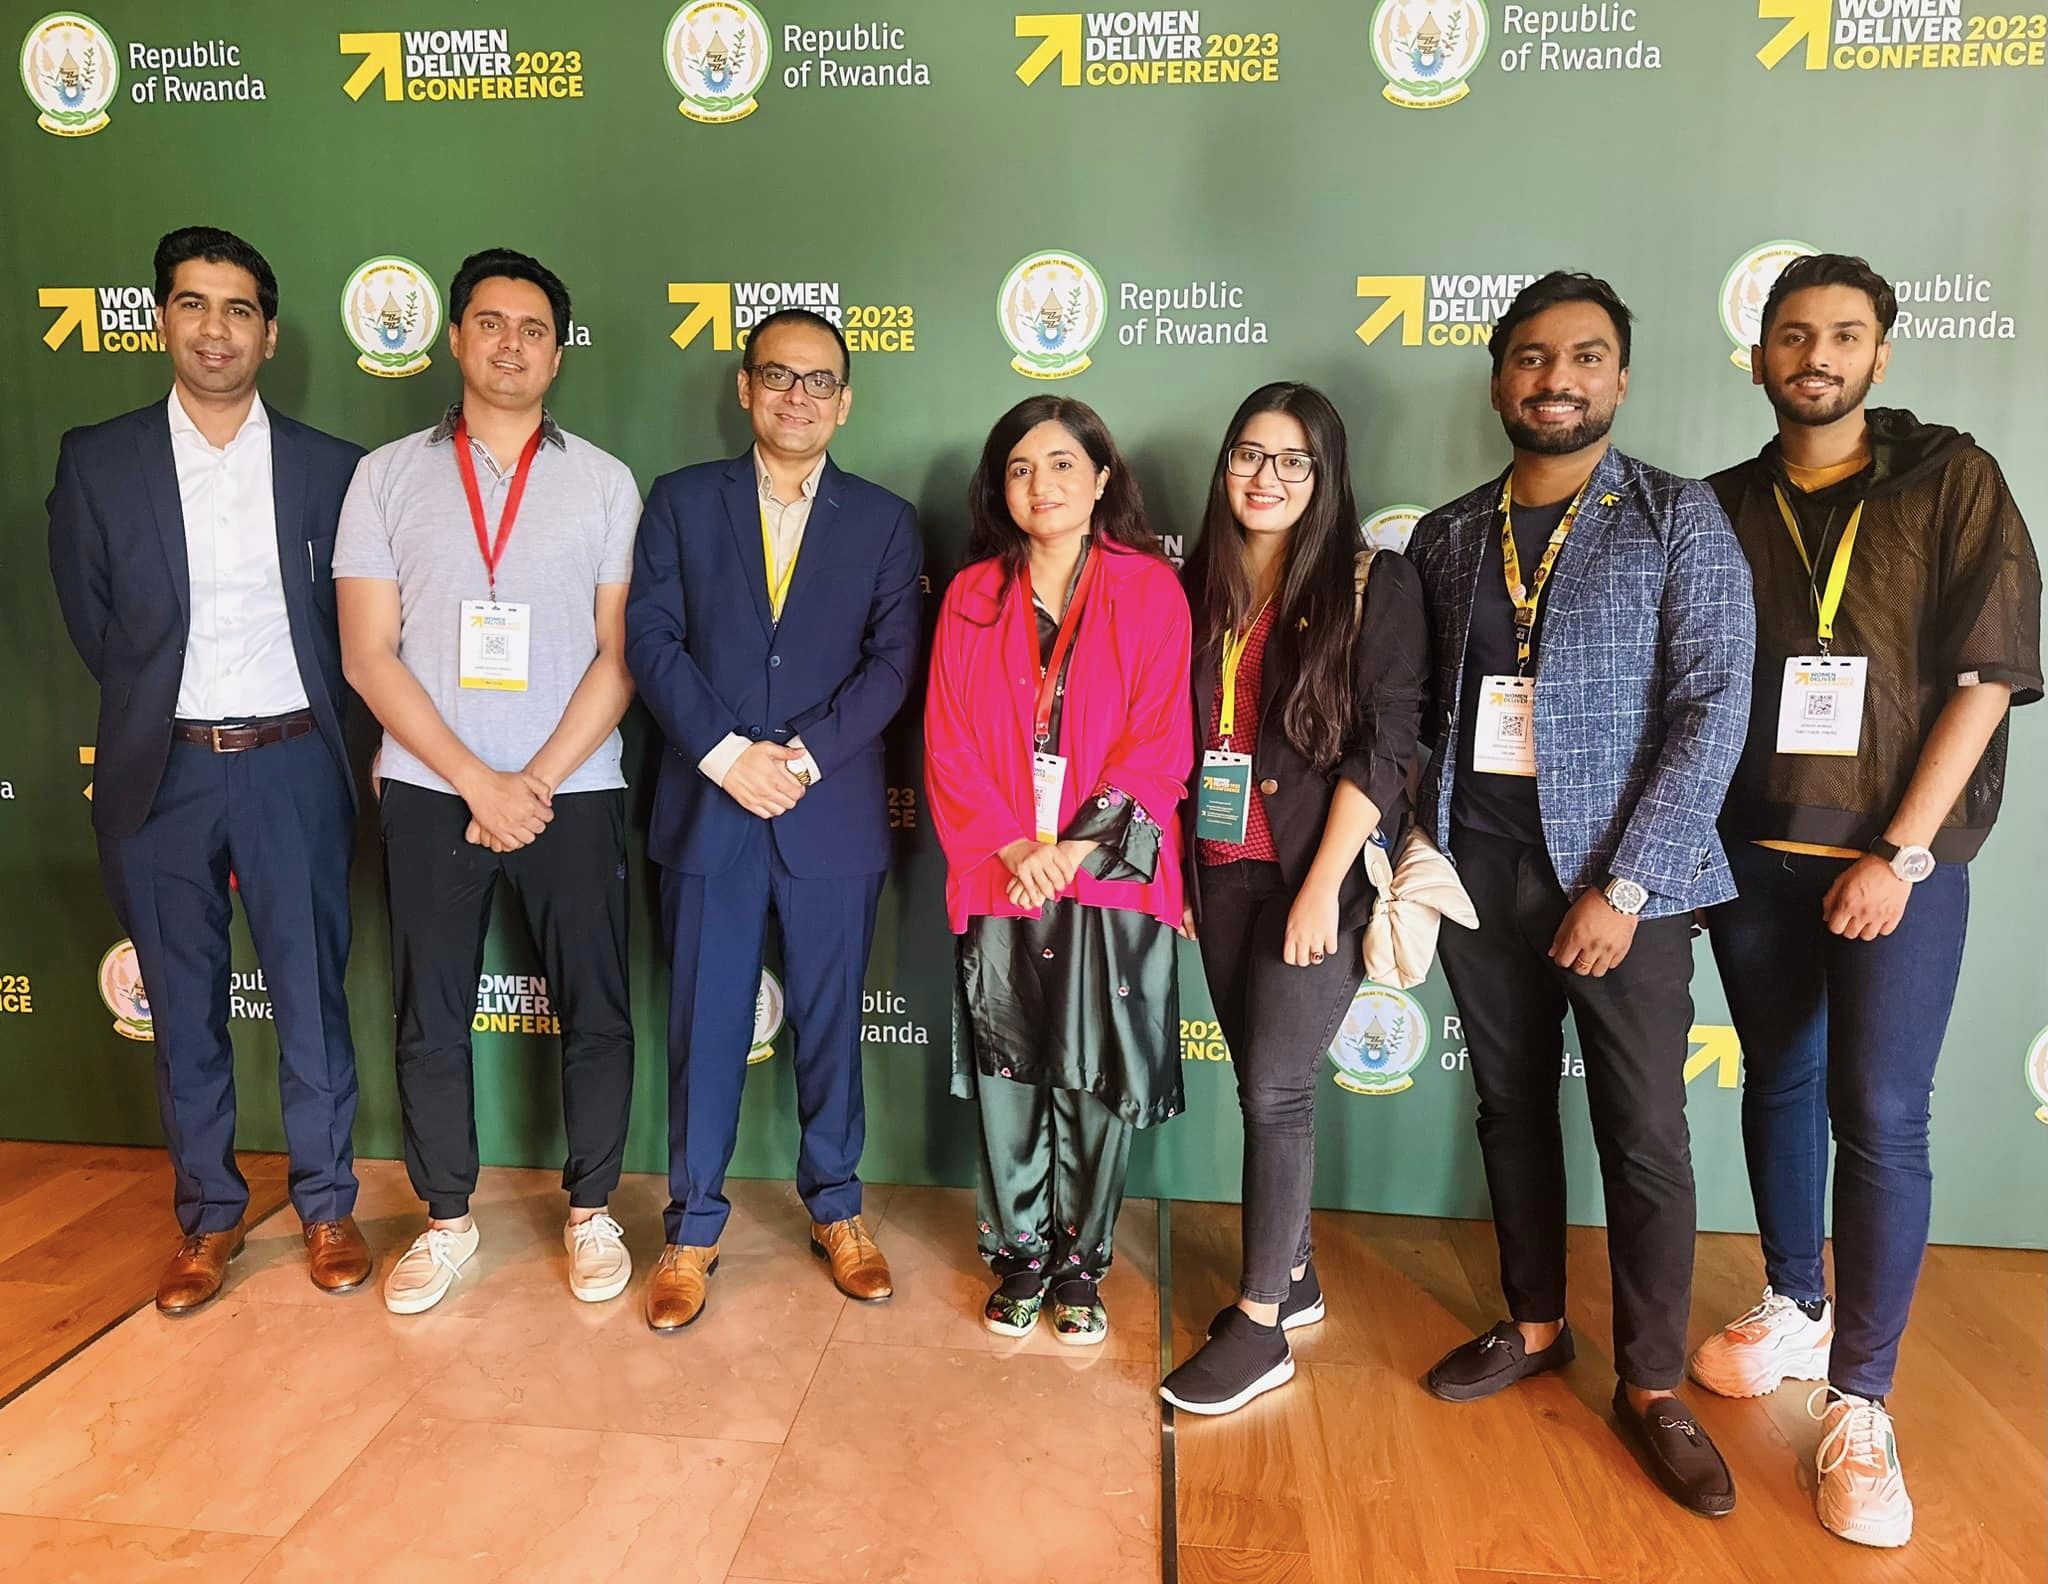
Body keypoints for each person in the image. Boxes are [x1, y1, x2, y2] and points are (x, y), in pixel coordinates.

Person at [1691, 253, 2041, 1548]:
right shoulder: (1724, 504)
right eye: (1793, 334)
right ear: (1759, 356)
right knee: (1778, 1078)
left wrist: (1897, 855)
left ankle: (1860, 1403)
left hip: (1897, 863)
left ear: (1879, 354)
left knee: (1882, 1115)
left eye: (1843, 334)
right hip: (1752, 856)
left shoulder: (1950, 479)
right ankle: (1795, 1303)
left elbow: (1986, 678)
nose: (1816, 356)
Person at [1406, 272, 1754, 1514]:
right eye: (1531, 357)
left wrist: (1626, 882)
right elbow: (1419, 709)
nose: (1555, 379)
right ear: (1498, 377)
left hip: (1622, 889)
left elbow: (1711, 709)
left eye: (1584, 357)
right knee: (1507, 1106)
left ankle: (1650, 1382)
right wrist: (1416, 850)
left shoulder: (1678, 517)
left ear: (1619, 377)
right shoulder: (1446, 534)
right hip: (1478, 870)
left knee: (1643, 1133)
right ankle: (1535, 1321)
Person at [47, 226, 370, 1314]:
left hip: (295, 765)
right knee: (183, 1007)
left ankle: (328, 1205)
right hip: (162, 772)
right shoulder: (98, 460)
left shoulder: (333, 469)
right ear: (161, 322)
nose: (215, 328)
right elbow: (95, 624)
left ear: (269, 335)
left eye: (238, 309)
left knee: (310, 998)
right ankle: (208, 1217)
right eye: (193, 304)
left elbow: (354, 630)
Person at [335, 249, 640, 1315]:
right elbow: (367, 652)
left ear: (558, 352)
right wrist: (475, 779)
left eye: (534, 328)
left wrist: (533, 781)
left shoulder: (604, 481)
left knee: (597, 1009)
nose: (512, 343)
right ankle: (447, 1221)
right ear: (456, 338)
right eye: (491, 323)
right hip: (431, 789)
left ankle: (592, 1212)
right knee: (429, 1013)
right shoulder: (384, 477)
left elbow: (620, 655)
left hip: (574, 788)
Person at [626, 308, 922, 1331]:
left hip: (826, 811)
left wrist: (798, 758)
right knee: (704, 1026)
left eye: (819, 380)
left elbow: (893, 663)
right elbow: (651, 639)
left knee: (832, 1026)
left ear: (845, 401)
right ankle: (691, 1228)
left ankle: (837, 1210)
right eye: (779, 376)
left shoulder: (884, 520)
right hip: (710, 804)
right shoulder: (679, 500)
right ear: (745, 388)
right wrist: (725, 755)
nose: (799, 396)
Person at [1157, 383, 1428, 1411]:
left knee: (1276, 1093)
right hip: (1219, 869)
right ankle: (1298, 1270)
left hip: (1315, 876)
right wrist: (1183, 869)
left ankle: (1261, 1322)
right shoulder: (1196, 586)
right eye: (1247, 454)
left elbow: (1385, 748)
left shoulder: (1371, 582)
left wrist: (1320, 891)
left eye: (1291, 460)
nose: (1265, 477)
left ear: (1325, 475)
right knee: (1255, 1082)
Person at [925, 395, 1192, 1346]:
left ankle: (1081, 1265)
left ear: (1103, 478)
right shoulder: (971, 595)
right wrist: (1011, 848)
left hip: (1108, 874)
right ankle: (1020, 1256)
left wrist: (1072, 848)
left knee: (1093, 1072)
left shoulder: (1149, 589)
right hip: (1001, 873)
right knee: (1009, 1069)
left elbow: (1161, 741)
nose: (1042, 484)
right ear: (1000, 488)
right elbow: (948, 742)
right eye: (1021, 468)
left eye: (1063, 464)